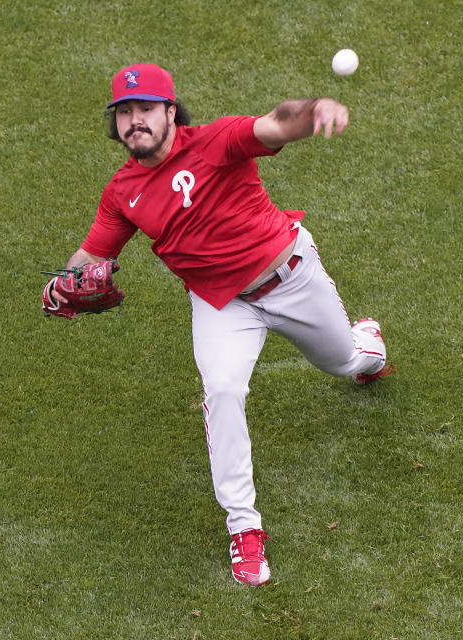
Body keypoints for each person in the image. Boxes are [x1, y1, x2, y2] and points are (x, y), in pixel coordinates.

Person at [48, 63, 394, 586]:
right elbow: (90, 254)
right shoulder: (122, 192)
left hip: (291, 277)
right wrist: (58, 288)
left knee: (344, 360)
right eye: (124, 113)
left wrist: (314, 110)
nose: (134, 121)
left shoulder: (215, 141)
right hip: (220, 305)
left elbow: (275, 124)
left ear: (170, 111)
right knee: (223, 389)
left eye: (145, 110)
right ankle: (244, 528)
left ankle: (366, 344)